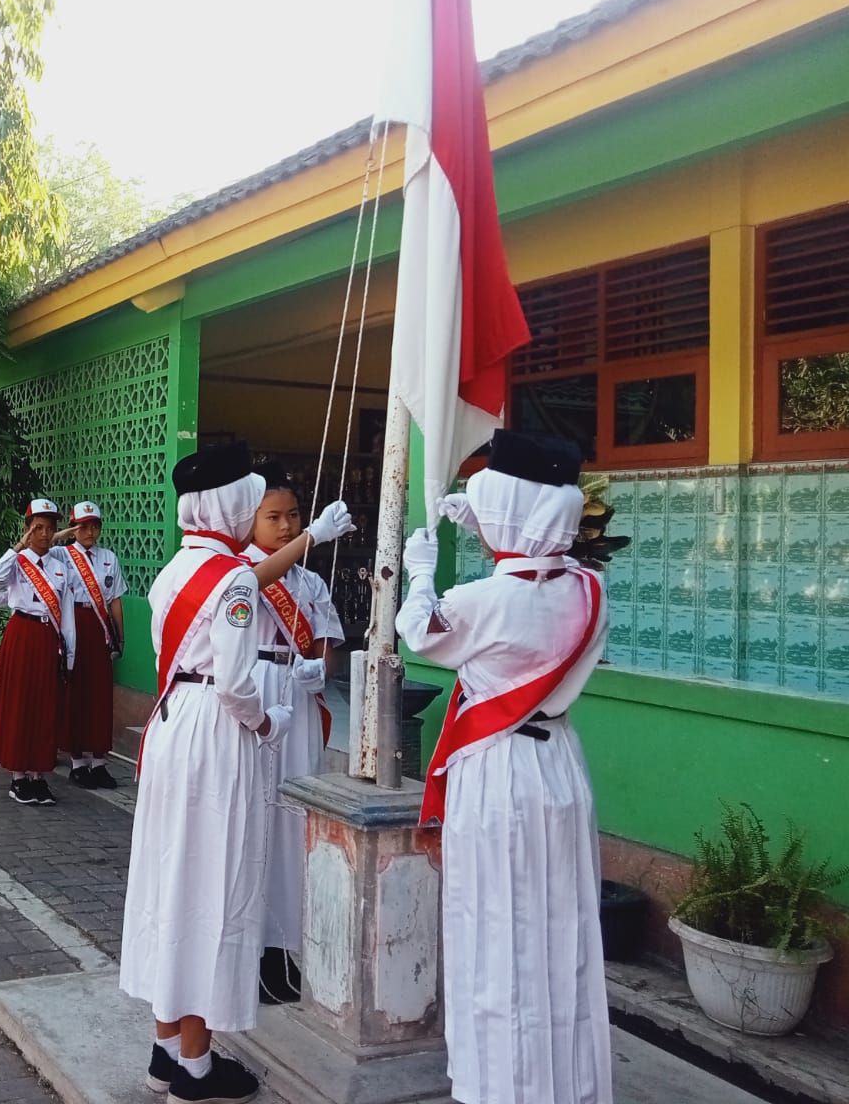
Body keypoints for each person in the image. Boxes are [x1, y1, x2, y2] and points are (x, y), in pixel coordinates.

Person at [120, 442, 352, 1104]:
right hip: (218, 733)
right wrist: (268, 723)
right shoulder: (236, 581)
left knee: (172, 880)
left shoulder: (176, 569)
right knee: (214, 888)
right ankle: (196, 1067)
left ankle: (167, 1050)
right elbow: (235, 684)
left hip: (174, 723)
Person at [398, 430, 611, 1104]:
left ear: (507, 512)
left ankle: (500, 1087)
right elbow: (536, 564)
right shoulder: (590, 590)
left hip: (499, 774)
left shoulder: (479, 601)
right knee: (562, 934)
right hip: (561, 769)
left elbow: (419, 631)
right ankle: (566, 1085)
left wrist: (420, 572)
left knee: (496, 935)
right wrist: (487, 527)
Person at [241, 463, 345, 1005]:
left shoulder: (311, 582)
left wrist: (319, 669)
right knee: (255, 815)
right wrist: (312, 538)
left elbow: (328, 643)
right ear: (250, 520)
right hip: (256, 691)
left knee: (293, 815)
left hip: (297, 695)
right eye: (273, 517)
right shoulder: (240, 571)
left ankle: (283, 946)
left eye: (295, 516)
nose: (286, 526)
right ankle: (250, 946)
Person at [0, 499, 77, 806]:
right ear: (27, 530)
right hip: (21, 634)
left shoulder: (60, 569)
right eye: (38, 528)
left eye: (49, 528)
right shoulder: (17, 561)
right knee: (20, 704)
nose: (45, 534)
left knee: (44, 706)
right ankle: (18, 777)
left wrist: (70, 655)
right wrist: (17, 547)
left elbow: (67, 614)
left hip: (48, 637)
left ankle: (38, 776)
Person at [55, 501, 126, 790]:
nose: (89, 532)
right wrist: (63, 535)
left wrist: (120, 637)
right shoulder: (61, 554)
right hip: (73, 625)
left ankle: (98, 761)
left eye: (94, 526)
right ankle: (77, 762)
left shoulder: (108, 557)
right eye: (83, 527)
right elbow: (32, 552)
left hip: (99, 628)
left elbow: (115, 600)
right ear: (73, 528)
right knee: (75, 693)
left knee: (99, 694)